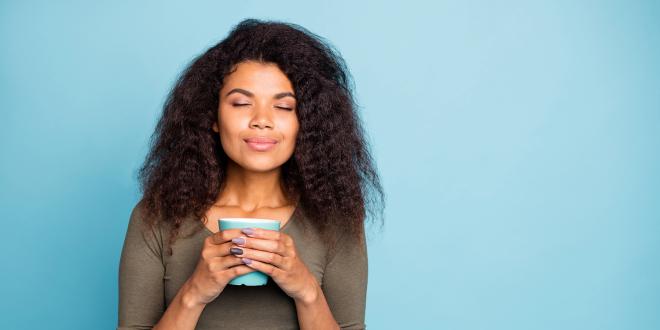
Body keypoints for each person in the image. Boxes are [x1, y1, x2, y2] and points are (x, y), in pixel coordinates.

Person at [118, 18, 384, 330]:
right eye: (242, 103)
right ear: (212, 116)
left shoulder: (336, 220)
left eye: (284, 107)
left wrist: (307, 291)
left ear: (307, 123)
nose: (262, 120)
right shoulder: (155, 218)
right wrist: (194, 292)